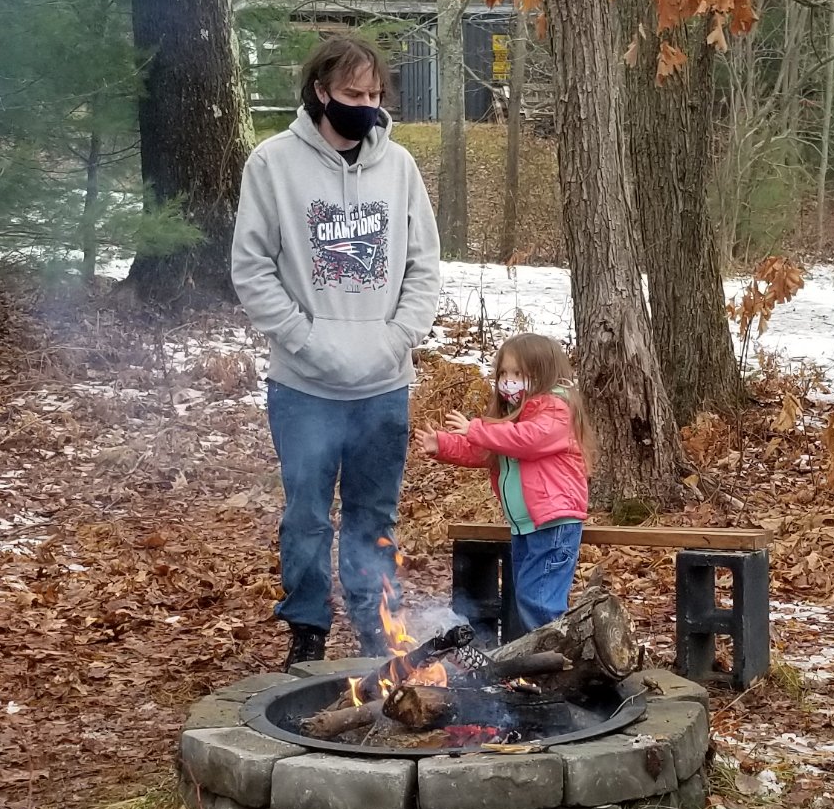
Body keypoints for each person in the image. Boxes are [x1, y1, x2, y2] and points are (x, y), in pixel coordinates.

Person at [230, 33, 443, 664]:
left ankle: (378, 629)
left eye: (375, 95)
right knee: (306, 516)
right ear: (321, 91)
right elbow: (252, 269)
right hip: (304, 386)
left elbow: (424, 267)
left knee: (373, 517)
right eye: (353, 94)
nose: (367, 106)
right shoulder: (272, 164)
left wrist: (397, 338)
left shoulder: (399, 168)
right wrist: (304, 340)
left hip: (384, 384)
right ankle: (307, 631)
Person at [424, 332, 590, 633]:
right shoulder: (514, 418)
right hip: (524, 526)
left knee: (540, 601)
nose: (508, 382)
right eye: (503, 374)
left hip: (553, 524)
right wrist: (443, 444)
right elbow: (485, 450)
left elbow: (527, 441)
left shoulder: (556, 410)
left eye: (517, 374)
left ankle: (555, 654)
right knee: (526, 596)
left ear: (542, 373)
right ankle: (541, 653)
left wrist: (477, 429)